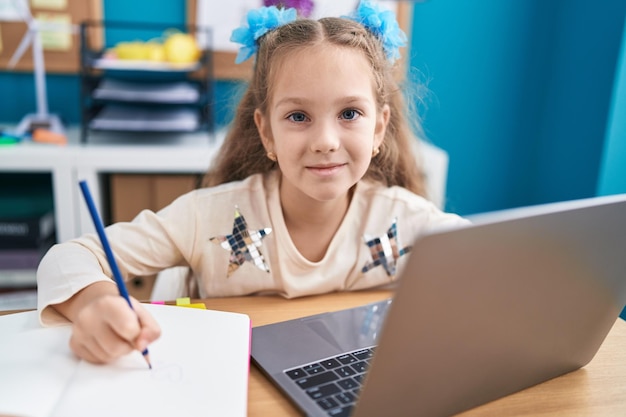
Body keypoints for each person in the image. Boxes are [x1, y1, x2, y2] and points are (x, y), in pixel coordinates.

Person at [36, 1, 468, 364]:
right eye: (298, 117)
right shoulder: (207, 216)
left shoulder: (405, 219)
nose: (325, 141)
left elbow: (496, 260)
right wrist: (95, 304)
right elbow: (68, 258)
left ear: (378, 129)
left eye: (350, 114)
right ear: (266, 133)